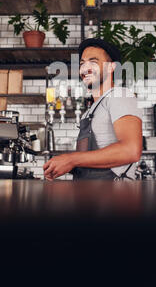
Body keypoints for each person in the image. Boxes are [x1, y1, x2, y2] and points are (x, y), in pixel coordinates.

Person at [43, 38, 143, 181]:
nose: (85, 68)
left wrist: (72, 159)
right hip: (90, 196)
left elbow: (131, 150)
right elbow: (90, 162)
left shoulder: (119, 96)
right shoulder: (91, 111)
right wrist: (66, 165)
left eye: (93, 62)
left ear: (111, 67)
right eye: (82, 63)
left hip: (116, 197)